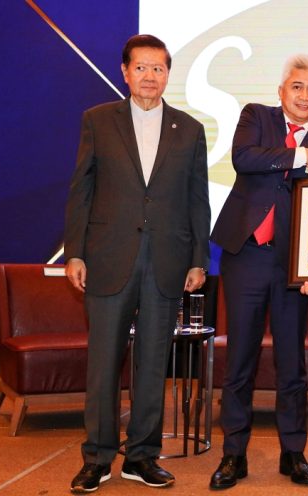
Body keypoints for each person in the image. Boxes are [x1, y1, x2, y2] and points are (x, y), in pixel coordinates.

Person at [64, 34, 210, 493]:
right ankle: (97, 457)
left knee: (152, 364)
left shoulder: (190, 129)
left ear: (168, 75)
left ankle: (142, 456)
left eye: (158, 68)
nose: (150, 76)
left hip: (167, 260)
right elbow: (82, 189)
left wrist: (199, 259)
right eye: (141, 67)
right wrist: (75, 251)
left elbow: (198, 199)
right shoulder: (97, 120)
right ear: (125, 72)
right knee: (103, 363)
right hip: (108, 258)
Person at [208, 54, 308, 491]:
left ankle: (293, 452)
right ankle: (233, 454)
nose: (305, 96)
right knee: (240, 360)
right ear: (281, 91)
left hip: (292, 267)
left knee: (291, 363)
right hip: (246, 255)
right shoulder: (256, 117)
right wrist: (304, 156)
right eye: (297, 87)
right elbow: (244, 158)